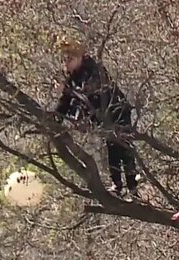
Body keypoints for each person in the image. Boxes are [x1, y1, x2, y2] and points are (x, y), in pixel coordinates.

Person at [55, 39, 138, 197]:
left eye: (70, 59)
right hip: (103, 118)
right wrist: (56, 119)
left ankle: (132, 186)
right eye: (64, 60)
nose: (66, 63)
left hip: (117, 111)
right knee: (112, 149)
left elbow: (88, 93)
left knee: (124, 148)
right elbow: (65, 101)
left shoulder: (93, 70)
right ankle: (118, 185)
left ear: (80, 57)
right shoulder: (72, 76)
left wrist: (67, 90)